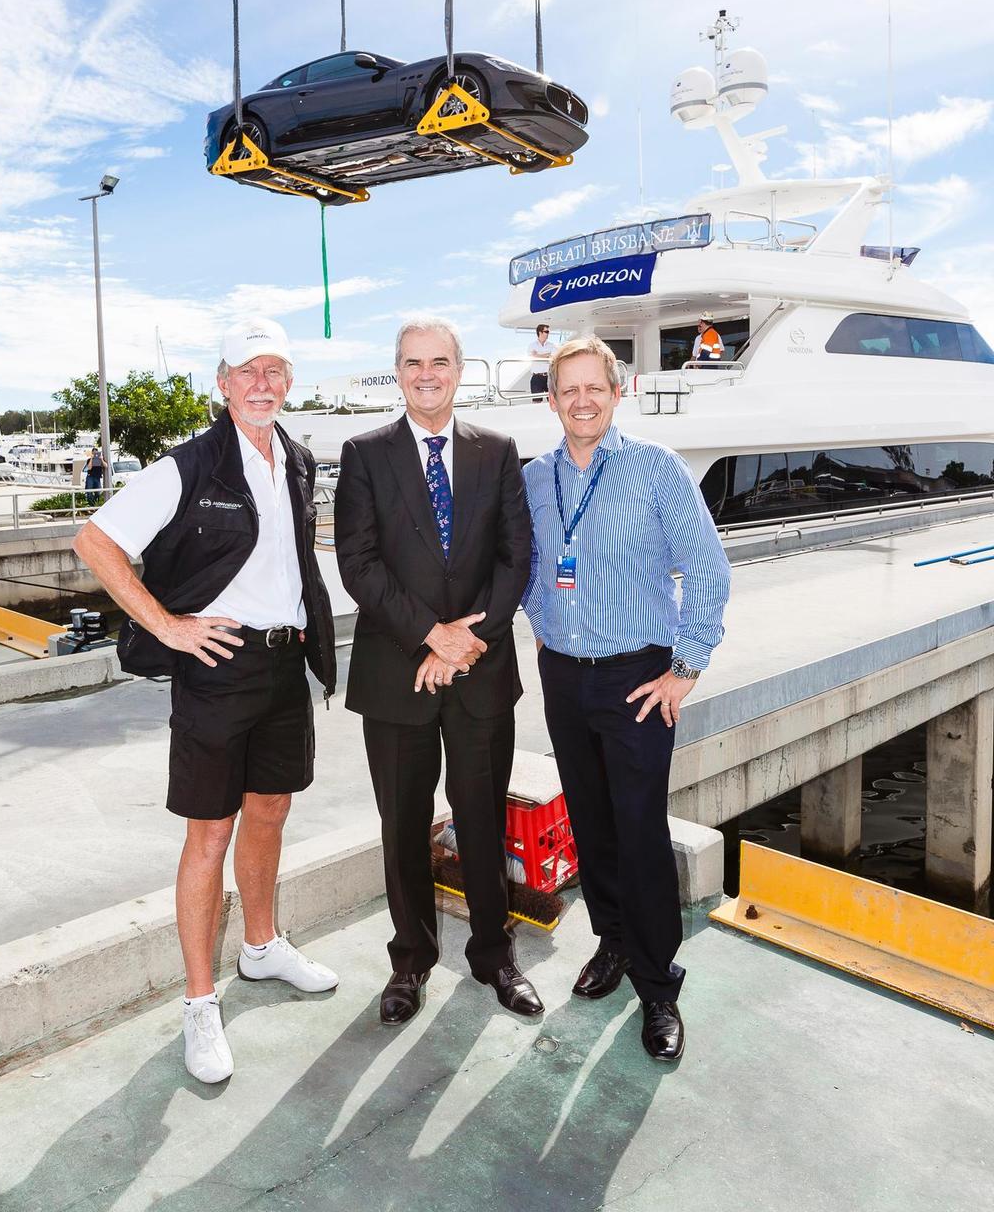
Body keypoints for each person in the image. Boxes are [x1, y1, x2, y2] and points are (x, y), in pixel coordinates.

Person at [73, 316, 337, 1086]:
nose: (263, 383)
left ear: (288, 384)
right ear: (222, 383)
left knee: (271, 810)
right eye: (247, 370)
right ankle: (198, 1000)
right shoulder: (188, 464)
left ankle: (260, 947)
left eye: (276, 371)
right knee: (209, 834)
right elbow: (95, 542)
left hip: (284, 669)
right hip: (216, 670)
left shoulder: (297, 459)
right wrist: (168, 627)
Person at [522, 335, 730, 1063]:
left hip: (637, 676)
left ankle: (657, 981)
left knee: (639, 829)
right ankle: (612, 941)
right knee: (591, 819)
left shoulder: (655, 469)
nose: (581, 400)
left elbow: (708, 567)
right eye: (567, 389)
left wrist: (687, 667)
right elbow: (527, 566)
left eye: (594, 387)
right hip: (564, 676)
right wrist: (541, 624)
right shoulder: (534, 479)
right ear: (551, 400)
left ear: (618, 393)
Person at [334, 318, 542, 1026]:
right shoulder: (363, 454)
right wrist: (430, 635)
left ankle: (493, 954)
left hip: (482, 670)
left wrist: (467, 639)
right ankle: (411, 960)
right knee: (403, 825)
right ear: (397, 371)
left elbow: (518, 557)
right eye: (413, 362)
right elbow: (358, 564)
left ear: (460, 370)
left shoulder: (498, 451)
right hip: (398, 674)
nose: (427, 373)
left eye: (440, 361)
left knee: (483, 819)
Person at [528, 323, 553, 400]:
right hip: (536, 378)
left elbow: (554, 356)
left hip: (549, 377)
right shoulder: (532, 345)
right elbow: (532, 357)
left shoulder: (551, 345)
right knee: (536, 401)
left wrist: (538, 355)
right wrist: (547, 355)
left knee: (553, 401)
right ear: (540, 332)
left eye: (548, 332)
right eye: (546, 332)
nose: (548, 334)